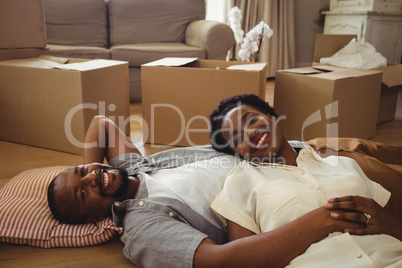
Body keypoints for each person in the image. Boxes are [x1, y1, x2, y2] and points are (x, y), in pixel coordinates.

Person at [47, 115, 396, 268]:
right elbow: (220, 262)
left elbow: (100, 125)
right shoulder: (141, 229)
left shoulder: (133, 169)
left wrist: (94, 179)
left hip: (299, 152)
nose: (91, 177)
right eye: (83, 193)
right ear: (93, 217)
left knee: (381, 149)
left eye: (83, 172)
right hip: (298, 196)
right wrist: (321, 221)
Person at [209, 93, 402, 267]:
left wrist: (392, 225)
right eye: (237, 139)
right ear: (238, 153)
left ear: (272, 117)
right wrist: (320, 222)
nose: (250, 133)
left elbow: (387, 222)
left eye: (251, 120)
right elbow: (244, 261)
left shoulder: (344, 163)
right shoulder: (240, 180)